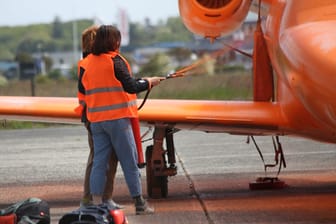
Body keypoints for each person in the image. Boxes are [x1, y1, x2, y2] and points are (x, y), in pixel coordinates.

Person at [78, 24, 163, 215]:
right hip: (118, 121)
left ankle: (96, 203)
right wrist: (149, 82)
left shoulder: (85, 64)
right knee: (129, 162)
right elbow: (131, 86)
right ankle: (139, 203)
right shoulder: (115, 61)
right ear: (114, 41)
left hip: (96, 122)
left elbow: (84, 91)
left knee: (99, 162)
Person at [75, 25, 122, 209]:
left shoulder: (85, 63)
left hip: (92, 115)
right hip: (98, 115)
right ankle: (97, 199)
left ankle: (96, 198)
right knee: (102, 157)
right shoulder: (94, 63)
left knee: (99, 156)